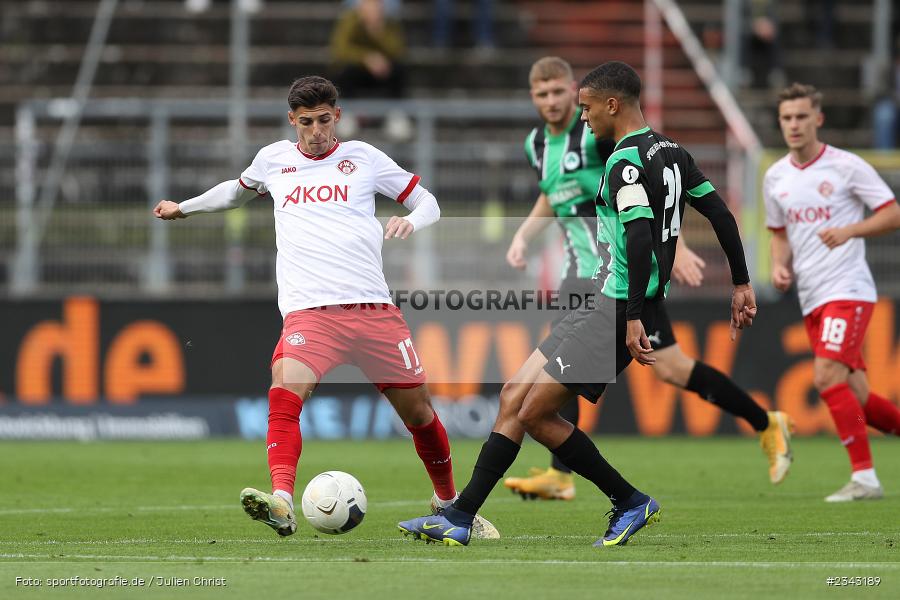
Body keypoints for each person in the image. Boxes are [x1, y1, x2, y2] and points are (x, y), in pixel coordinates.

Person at [398, 61, 757, 547]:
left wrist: (631, 315)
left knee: (534, 414)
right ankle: (460, 517)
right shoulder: (674, 152)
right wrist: (741, 280)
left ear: (612, 105)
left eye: (586, 108)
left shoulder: (623, 161)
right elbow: (719, 212)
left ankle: (629, 501)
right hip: (597, 300)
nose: (582, 118)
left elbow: (637, 236)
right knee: (512, 396)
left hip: (617, 306)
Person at [153, 76, 497, 538]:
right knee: (284, 390)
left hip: (373, 309)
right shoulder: (273, 160)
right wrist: (184, 208)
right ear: (292, 121)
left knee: (419, 414)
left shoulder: (365, 159)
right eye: (306, 122)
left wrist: (410, 222)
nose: (316, 131)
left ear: (337, 116)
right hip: (310, 313)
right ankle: (280, 499)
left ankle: (450, 505)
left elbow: (427, 201)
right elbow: (235, 192)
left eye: (324, 120)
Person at [502, 57, 792, 502]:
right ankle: (561, 473)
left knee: (671, 369)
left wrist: (669, 248)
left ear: (576, 91)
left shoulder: (600, 136)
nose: (554, 102)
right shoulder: (536, 144)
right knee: (557, 370)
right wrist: (524, 234)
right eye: (541, 94)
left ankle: (764, 422)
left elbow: (643, 190)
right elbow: (552, 194)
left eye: (560, 92)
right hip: (582, 275)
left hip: (623, 275)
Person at [764, 82, 900, 502]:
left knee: (825, 377)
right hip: (813, 296)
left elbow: (892, 212)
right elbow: (778, 232)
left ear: (817, 119)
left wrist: (849, 230)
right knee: (858, 396)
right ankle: (866, 473)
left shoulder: (846, 166)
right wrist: (778, 265)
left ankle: (865, 478)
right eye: (787, 118)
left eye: (802, 116)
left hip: (849, 289)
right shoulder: (775, 177)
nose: (794, 125)